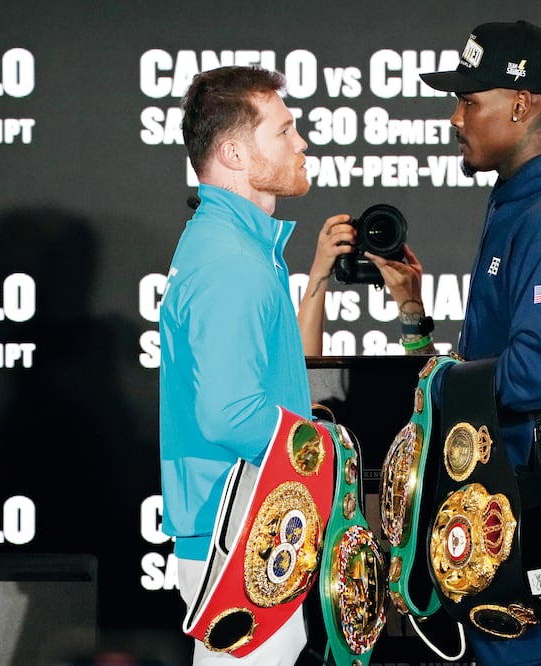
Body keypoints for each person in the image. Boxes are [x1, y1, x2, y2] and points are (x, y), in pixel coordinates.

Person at [371, 19, 541, 666]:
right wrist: (414, 320)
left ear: (520, 105)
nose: (455, 118)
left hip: (532, 491)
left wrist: (438, 383)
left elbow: (540, 372)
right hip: (502, 482)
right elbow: (490, 369)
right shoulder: (523, 201)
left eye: (468, 101)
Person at [159, 65, 354, 665]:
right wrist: (327, 451)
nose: (302, 144)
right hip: (241, 535)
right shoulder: (230, 262)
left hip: (248, 524)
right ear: (236, 152)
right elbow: (227, 413)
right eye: (285, 131)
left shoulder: (237, 248)